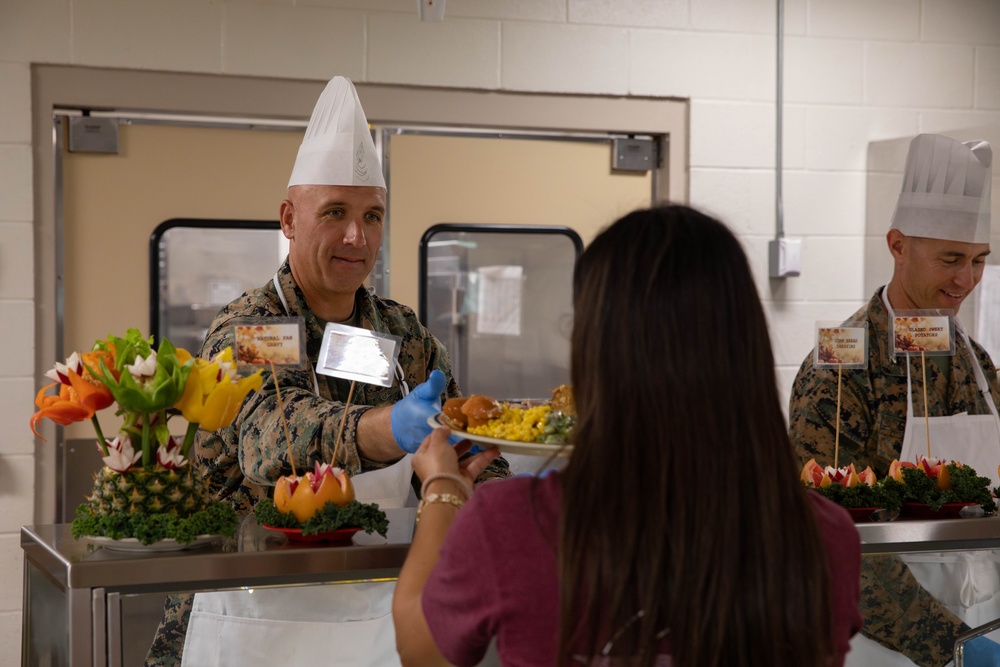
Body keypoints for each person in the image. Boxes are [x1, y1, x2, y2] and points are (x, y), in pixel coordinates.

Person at [393, 204, 864, 666]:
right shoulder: (824, 538)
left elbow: (420, 648)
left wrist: (443, 489)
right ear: (747, 349)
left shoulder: (511, 524)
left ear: (595, 350)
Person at [145, 75, 508, 666]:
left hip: (371, 612)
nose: (355, 236)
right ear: (289, 218)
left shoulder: (402, 334)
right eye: (335, 212)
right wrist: (390, 428)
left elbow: (459, 450)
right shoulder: (256, 324)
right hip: (248, 613)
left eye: (372, 215)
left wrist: (510, 494)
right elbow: (272, 439)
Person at [788, 134, 1000, 666]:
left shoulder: (976, 364)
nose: (965, 280)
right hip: (883, 644)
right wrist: (952, 647)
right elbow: (827, 535)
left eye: (978, 261)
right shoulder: (840, 368)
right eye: (951, 258)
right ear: (897, 245)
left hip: (984, 620)